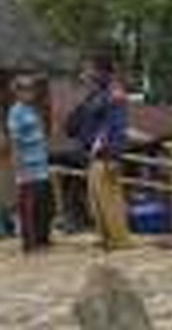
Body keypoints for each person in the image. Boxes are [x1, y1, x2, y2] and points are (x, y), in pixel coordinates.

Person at [66, 50, 132, 251]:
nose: (86, 74)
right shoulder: (93, 96)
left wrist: (113, 155)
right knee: (96, 203)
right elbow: (74, 125)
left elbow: (116, 126)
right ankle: (106, 238)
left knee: (110, 202)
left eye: (89, 69)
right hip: (91, 155)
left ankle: (119, 241)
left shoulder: (113, 95)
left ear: (101, 72)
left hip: (106, 155)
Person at [6, 75, 53, 253]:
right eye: (25, 89)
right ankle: (29, 244)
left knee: (44, 204)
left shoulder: (32, 110)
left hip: (40, 163)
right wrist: (19, 166)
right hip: (27, 165)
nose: (29, 93)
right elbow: (15, 140)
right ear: (17, 92)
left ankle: (43, 239)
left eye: (31, 89)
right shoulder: (16, 112)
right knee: (28, 206)